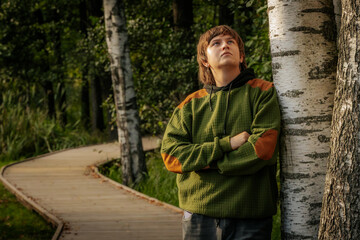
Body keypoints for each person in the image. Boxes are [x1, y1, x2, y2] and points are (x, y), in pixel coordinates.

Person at [161, 25, 281, 240]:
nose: (224, 45)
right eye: (216, 43)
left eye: (230, 42)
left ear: (241, 55)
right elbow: (172, 157)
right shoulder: (190, 105)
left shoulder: (263, 92)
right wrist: (227, 145)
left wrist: (207, 164)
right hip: (200, 213)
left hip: (250, 214)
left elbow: (262, 150)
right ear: (204, 60)